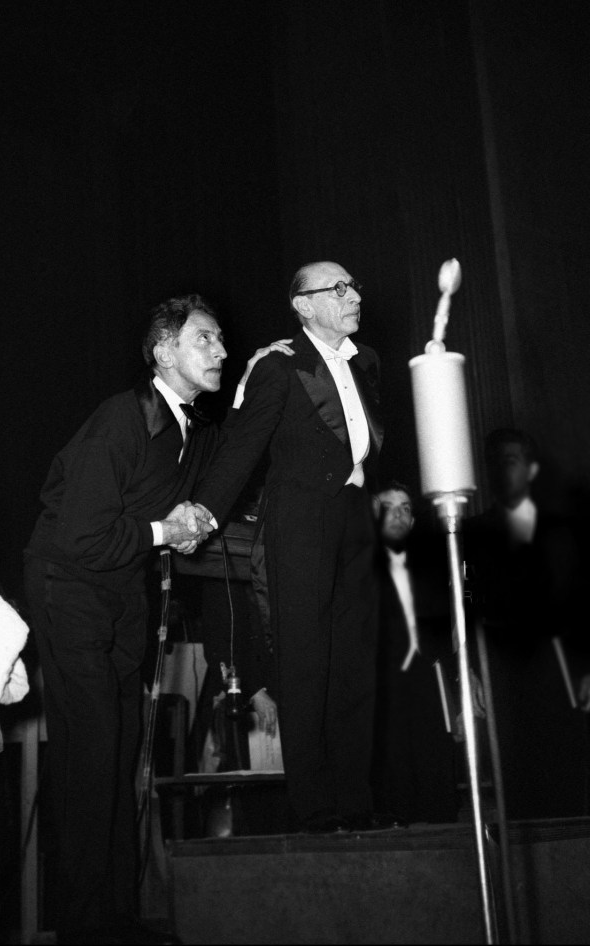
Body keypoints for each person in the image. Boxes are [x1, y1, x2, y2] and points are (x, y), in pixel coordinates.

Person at [23, 294, 291, 944]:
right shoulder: (124, 418)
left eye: (223, 340)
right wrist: (164, 530)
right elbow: (81, 537)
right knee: (92, 755)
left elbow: (233, 453)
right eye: (206, 339)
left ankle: (114, 915)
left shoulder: (187, 428)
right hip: (72, 589)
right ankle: (84, 923)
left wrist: (256, 376)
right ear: (164, 351)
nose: (220, 351)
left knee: (121, 756)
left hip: (124, 593)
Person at [192, 261, 403, 834]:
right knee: (306, 661)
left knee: (355, 661)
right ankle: (314, 806)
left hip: (356, 520)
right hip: (300, 522)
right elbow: (242, 448)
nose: (354, 295)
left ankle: (356, 802)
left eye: (354, 286)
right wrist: (204, 512)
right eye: (339, 288)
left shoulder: (367, 362)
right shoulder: (279, 367)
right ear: (303, 306)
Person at [465, 428, 589, 819]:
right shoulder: (472, 533)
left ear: (532, 469)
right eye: (496, 463)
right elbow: (465, 606)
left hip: (559, 670)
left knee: (567, 783)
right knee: (515, 787)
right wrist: (468, 670)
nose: (503, 470)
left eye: (512, 461)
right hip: (502, 675)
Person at [371, 481, 458, 824]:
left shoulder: (434, 566)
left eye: (405, 508)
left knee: (436, 793)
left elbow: (452, 625)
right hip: (380, 690)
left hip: (428, 689)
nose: (398, 514)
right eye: (388, 507)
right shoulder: (355, 567)